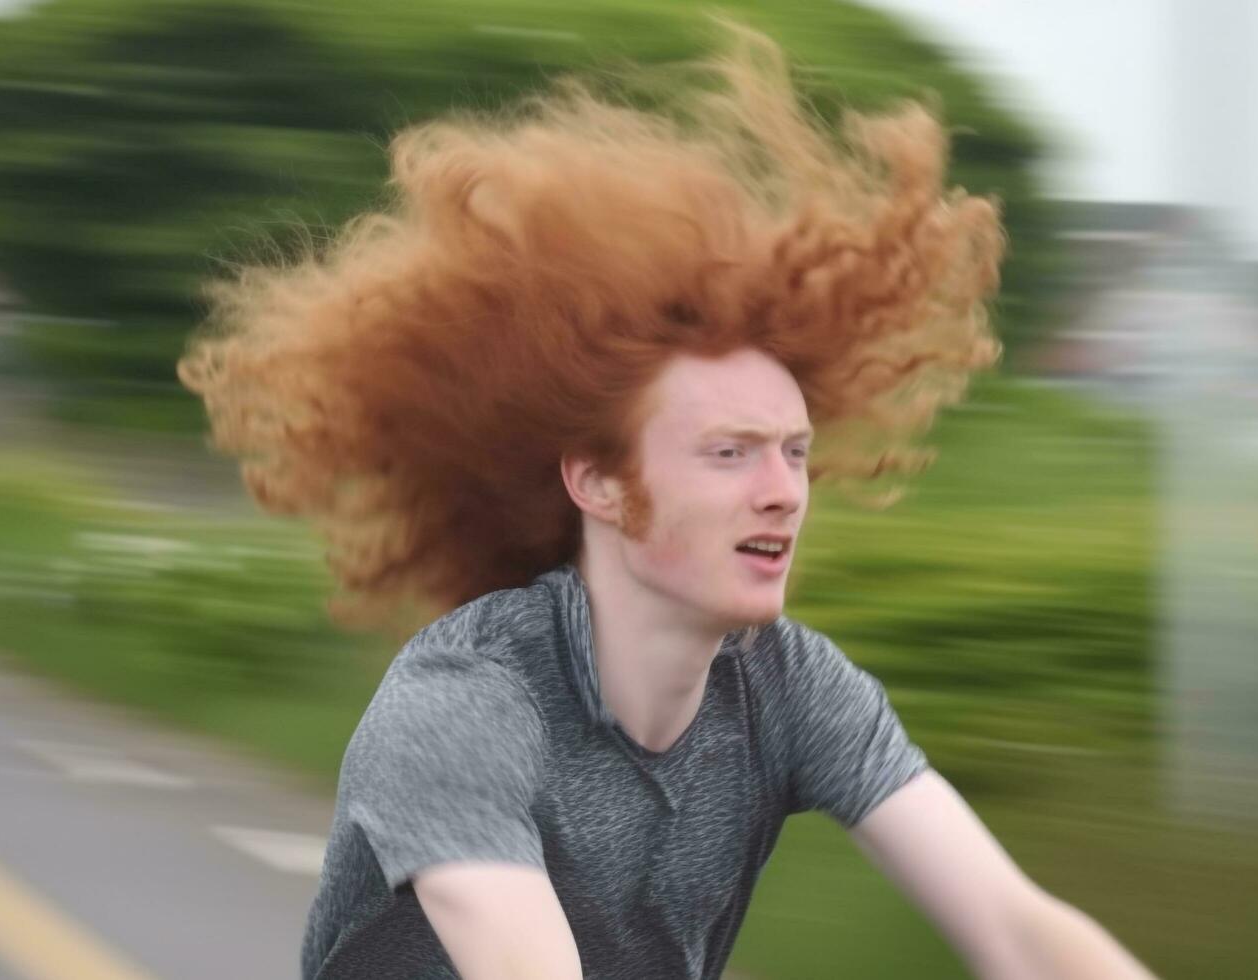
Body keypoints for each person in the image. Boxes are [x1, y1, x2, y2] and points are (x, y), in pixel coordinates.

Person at [178, 23, 1156, 980]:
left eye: (795, 453)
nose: (781, 494)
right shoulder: (463, 703)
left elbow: (1017, 929)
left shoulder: (790, 689)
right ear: (598, 482)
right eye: (728, 453)